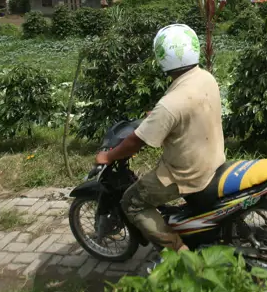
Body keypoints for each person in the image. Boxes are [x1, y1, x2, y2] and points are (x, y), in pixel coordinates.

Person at [94, 24, 225, 252]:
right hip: (214, 158)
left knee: (131, 202)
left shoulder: (170, 104)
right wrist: (157, 118)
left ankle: (177, 252)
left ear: (162, 56)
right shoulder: (205, 77)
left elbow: (136, 142)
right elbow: (187, 113)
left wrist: (109, 156)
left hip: (187, 173)